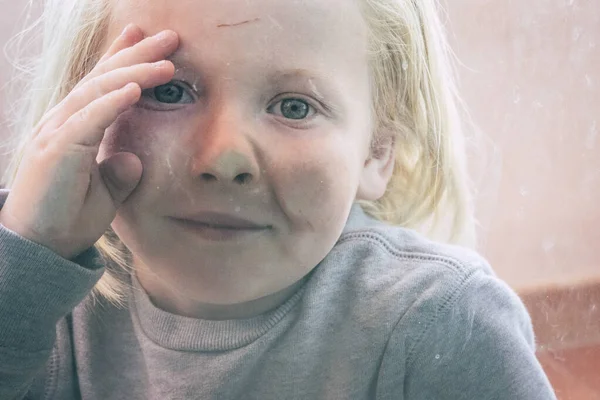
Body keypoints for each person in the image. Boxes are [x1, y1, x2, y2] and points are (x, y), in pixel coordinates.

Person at [0, 0, 556, 398]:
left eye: (294, 107)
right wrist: (25, 256)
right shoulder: (40, 305)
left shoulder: (444, 323)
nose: (223, 160)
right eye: (167, 91)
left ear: (376, 152)